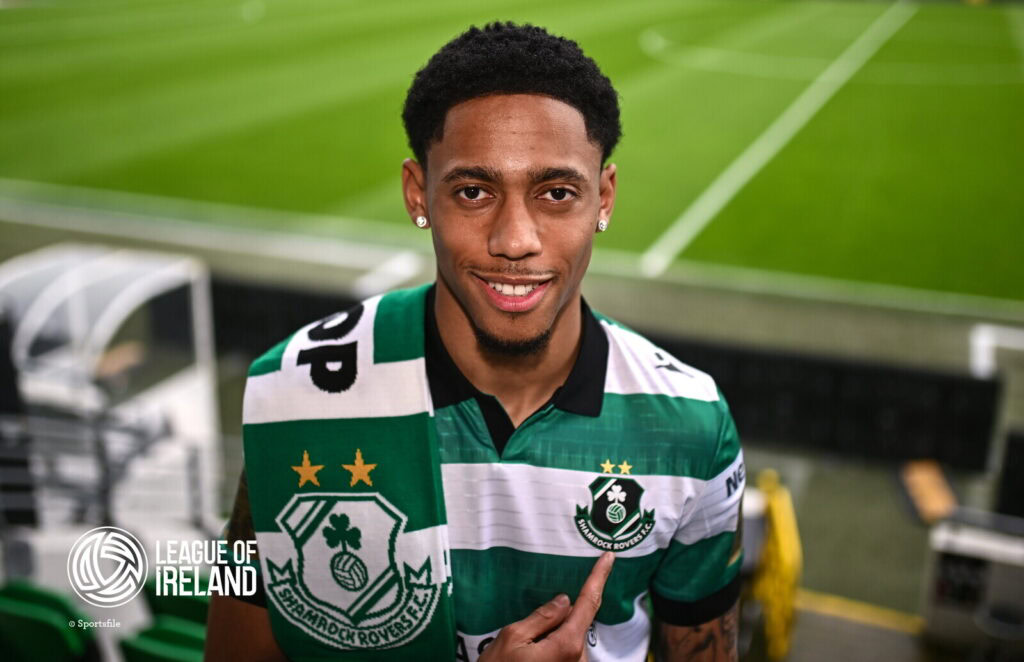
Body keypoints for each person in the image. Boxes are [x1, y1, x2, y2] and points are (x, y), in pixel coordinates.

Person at [205, 22, 744, 662]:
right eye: (473, 191)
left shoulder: (691, 423)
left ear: (603, 196)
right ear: (417, 194)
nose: (515, 239)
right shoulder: (299, 392)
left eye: (557, 192)